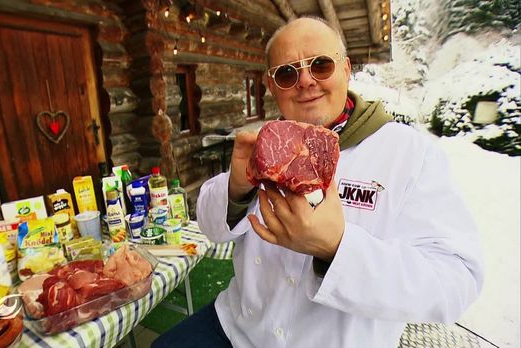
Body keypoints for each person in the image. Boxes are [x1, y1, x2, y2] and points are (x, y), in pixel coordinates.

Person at [152, 17, 484, 348]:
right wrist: (235, 190)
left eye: (321, 65)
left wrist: (337, 247)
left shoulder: (408, 153)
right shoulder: (267, 143)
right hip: (237, 328)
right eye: (287, 73)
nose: (306, 81)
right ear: (272, 85)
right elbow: (211, 227)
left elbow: (457, 281)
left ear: (346, 69)